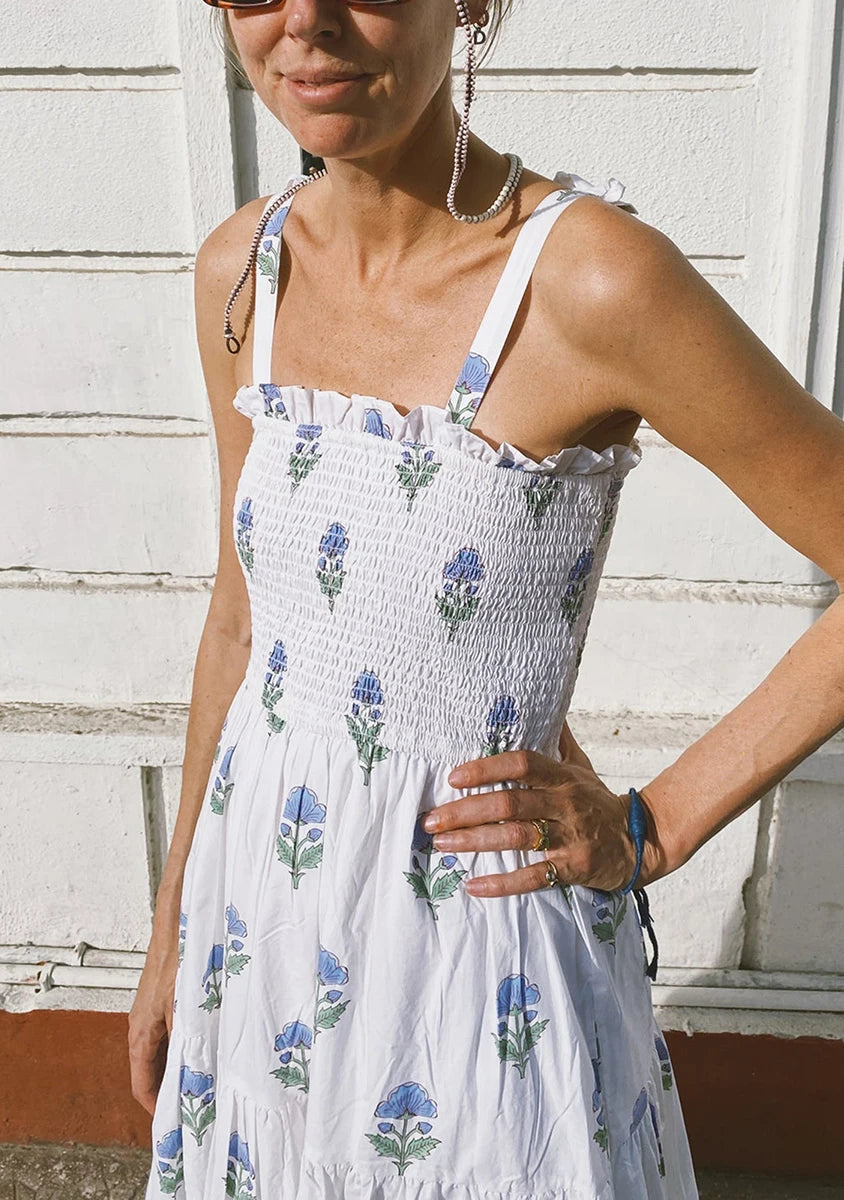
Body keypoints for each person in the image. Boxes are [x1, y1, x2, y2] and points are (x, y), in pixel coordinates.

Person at [127, 1, 844, 1197]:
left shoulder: (593, 278)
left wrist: (651, 823)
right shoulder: (240, 271)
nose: (304, 22)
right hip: (259, 937)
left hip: (475, 958)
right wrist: (170, 940)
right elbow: (241, 621)